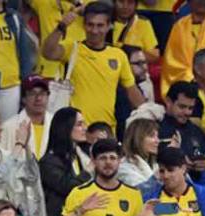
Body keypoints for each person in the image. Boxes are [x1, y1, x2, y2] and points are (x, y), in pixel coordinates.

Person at [42, 1, 143, 131]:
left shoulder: (118, 55)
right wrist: (61, 27)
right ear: (84, 25)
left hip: (106, 130)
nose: (94, 31)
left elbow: (131, 90)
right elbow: (48, 52)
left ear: (109, 26)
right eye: (90, 25)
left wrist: (148, 112)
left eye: (100, 25)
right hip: (77, 130)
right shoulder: (72, 49)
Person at [61, 138, 143, 216]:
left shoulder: (134, 195)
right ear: (93, 161)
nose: (108, 162)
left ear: (120, 160)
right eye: (103, 158)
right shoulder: (79, 193)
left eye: (112, 158)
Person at [39, 107, 92, 216]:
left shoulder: (80, 155)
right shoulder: (48, 162)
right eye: (79, 124)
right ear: (65, 128)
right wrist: (89, 170)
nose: (85, 128)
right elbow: (69, 187)